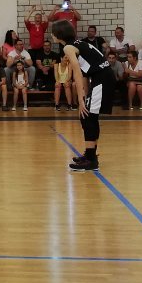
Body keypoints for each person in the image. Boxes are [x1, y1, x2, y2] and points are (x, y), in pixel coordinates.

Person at [51, 20, 113, 172]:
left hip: (102, 78)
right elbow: (85, 73)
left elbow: (77, 73)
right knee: (88, 116)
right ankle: (90, 155)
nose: (51, 35)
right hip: (101, 77)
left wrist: (80, 99)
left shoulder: (68, 47)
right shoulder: (78, 44)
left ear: (59, 34)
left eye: (52, 32)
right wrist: (84, 95)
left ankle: (91, 161)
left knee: (87, 116)